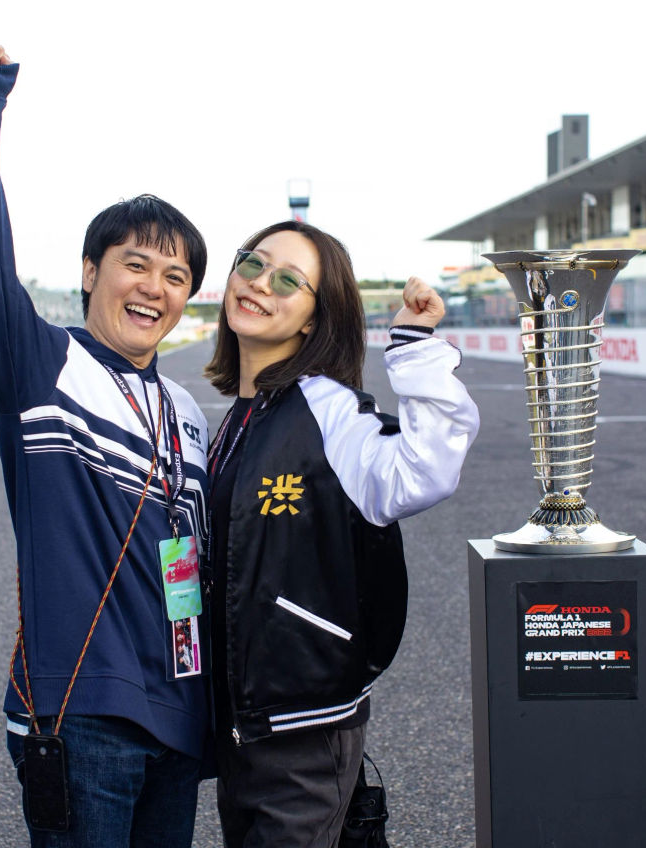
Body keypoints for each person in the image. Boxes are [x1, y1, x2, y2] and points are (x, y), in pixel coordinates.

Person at [0, 40, 212, 847]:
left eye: (175, 276)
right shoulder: (42, 365)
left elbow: (190, 575)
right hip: (81, 712)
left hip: (177, 720)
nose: (154, 288)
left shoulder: (188, 413)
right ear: (90, 271)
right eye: (137, 265)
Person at [203, 221, 480, 847]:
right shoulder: (238, 416)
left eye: (288, 281)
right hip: (244, 725)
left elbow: (424, 469)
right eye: (252, 264)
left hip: (305, 728)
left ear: (312, 319)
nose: (259, 285)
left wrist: (414, 345)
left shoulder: (328, 409)